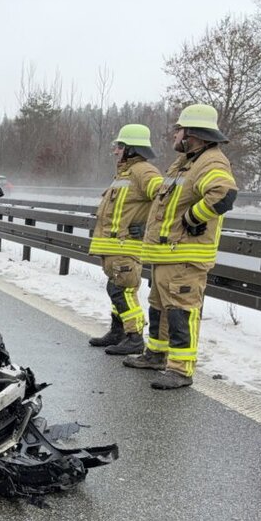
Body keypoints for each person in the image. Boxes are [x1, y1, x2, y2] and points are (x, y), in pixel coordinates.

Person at [124, 103, 238, 389]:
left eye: (178, 128)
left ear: (192, 133)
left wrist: (193, 218)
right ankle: (157, 355)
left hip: (185, 255)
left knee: (180, 311)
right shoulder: (185, 162)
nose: (174, 133)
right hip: (167, 254)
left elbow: (224, 193)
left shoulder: (211, 161)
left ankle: (181, 369)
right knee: (160, 308)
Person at [86, 123, 163, 356]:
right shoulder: (125, 174)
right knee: (115, 288)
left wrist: (148, 226)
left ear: (131, 149)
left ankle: (134, 337)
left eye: (119, 146)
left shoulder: (143, 171)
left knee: (123, 291)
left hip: (126, 246)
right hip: (114, 247)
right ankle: (118, 332)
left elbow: (164, 199)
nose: (115, 151)